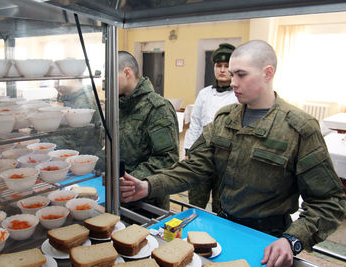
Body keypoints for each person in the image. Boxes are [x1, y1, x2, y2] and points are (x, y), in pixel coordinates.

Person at [120, 40, 346, 267]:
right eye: (232, 74)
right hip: (223, 228)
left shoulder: (298, 127)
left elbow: (329, 202)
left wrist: (293, 239)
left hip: (269, 241)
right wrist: (148, 185)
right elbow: (194, 167)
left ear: (268, 73)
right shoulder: (225, 119)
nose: (233, 82)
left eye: (241, 75)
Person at [118, 51, 179, 210]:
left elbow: (166, 158)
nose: (106, 83)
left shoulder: (157, 109)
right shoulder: (119, 107)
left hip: (147, 202)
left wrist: (130, 181)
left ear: (127, 73)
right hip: (118, 195)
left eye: (110, 77)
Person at [184, 43, 238, 211]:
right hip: (201, 155)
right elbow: (195, 124)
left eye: (226, 66)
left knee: (221, 206)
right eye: (218, 65)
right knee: (196, 201)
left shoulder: (238, 95)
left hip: (227, 159)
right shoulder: (205, 93)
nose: (222, 70)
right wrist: (188, 151)